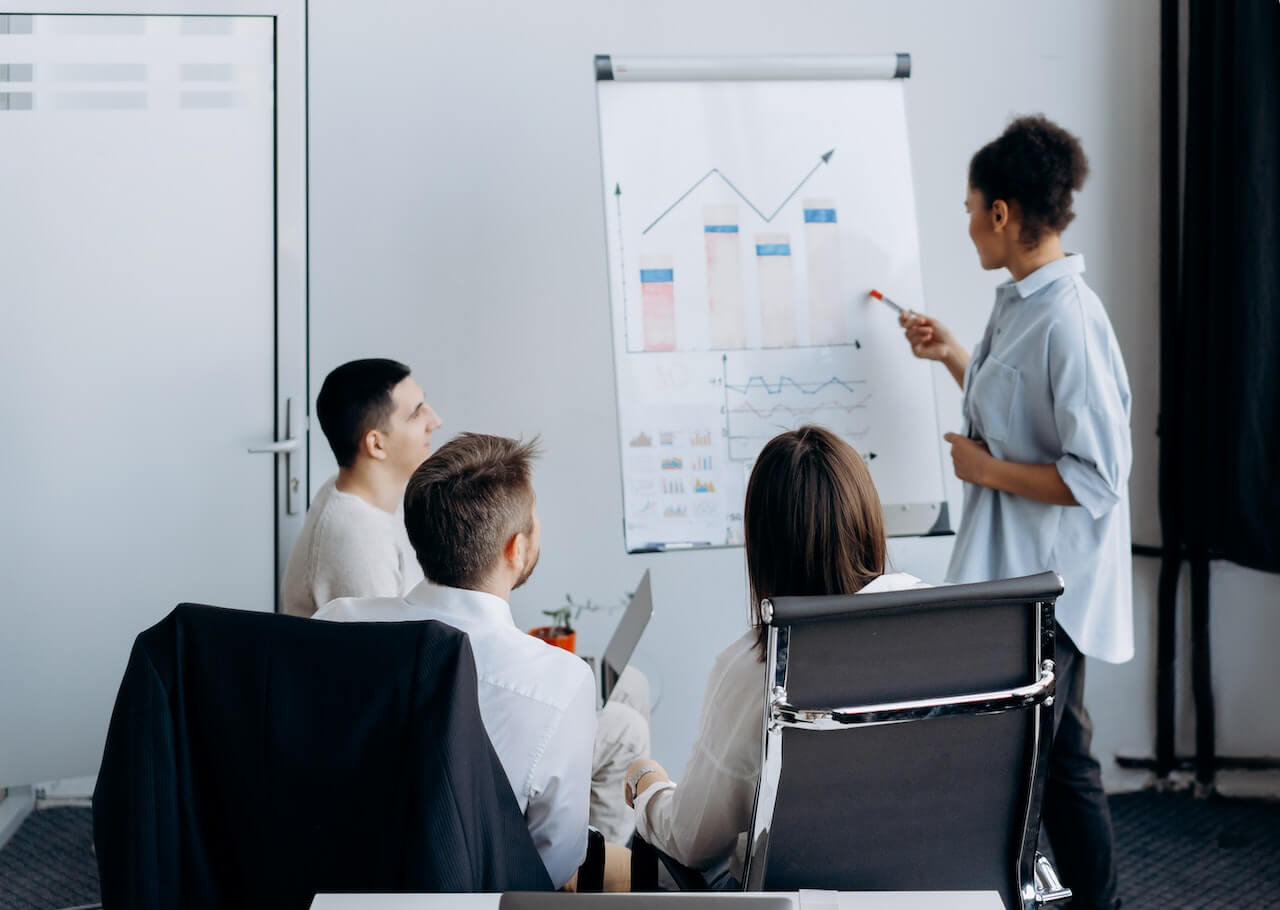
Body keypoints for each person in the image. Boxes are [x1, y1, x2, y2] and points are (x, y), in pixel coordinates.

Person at [899, 115, 1130, 910]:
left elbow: (1098, 477)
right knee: (1058, 764)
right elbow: (1014, 403)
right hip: (1017, 578)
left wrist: (986, 470)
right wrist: (953, 351)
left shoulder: (1070, 318)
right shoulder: (1020, 301)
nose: (965, 226)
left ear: (1002, 213)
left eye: (970, 209)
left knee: (1027, 773)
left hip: (1052, 588)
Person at [315, 433, 644, 889]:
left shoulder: (336, 622)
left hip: (336, 883)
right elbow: (553, 864)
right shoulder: (560, 681)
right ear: (517, 549)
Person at [623, 426, 926, 883]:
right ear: (867, 518)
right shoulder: (947, 629)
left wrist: (646, 783)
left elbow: (695, 839)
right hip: (939, 889)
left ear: (764, 548)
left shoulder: (758, 668)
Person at [281, 358, 443, 618]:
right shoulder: (355, 539)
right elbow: (387, 653)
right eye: (416, 413)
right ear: (376, 444)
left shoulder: (366, 495)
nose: (436, 421)